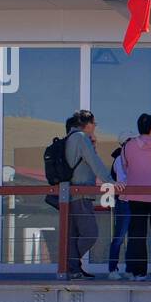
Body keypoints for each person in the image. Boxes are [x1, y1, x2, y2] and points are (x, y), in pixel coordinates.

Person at [64, 109, 124, 279]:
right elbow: (94, 162)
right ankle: (70, 263)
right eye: (94, 123)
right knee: (90, 234)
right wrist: (110, 181)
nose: (95, 127)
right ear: (87, 123)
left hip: (71, 194)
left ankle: (73, 268)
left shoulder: (70, 137)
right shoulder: (81, 138)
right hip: (80, 194)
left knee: (75, 234)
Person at [119, 113, 151, 281]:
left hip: (135, 194)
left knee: (137, 234)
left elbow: (125, 167)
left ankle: (138, 271)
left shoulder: (127, 146)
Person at [106, 130, 136, 280]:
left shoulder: (133, 158)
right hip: (124, 201)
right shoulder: (119, 159)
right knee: (119, 236)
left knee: (132, 237)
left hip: (133, 201)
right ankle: (113, 269)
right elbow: (124, 180)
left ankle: (130, 269)